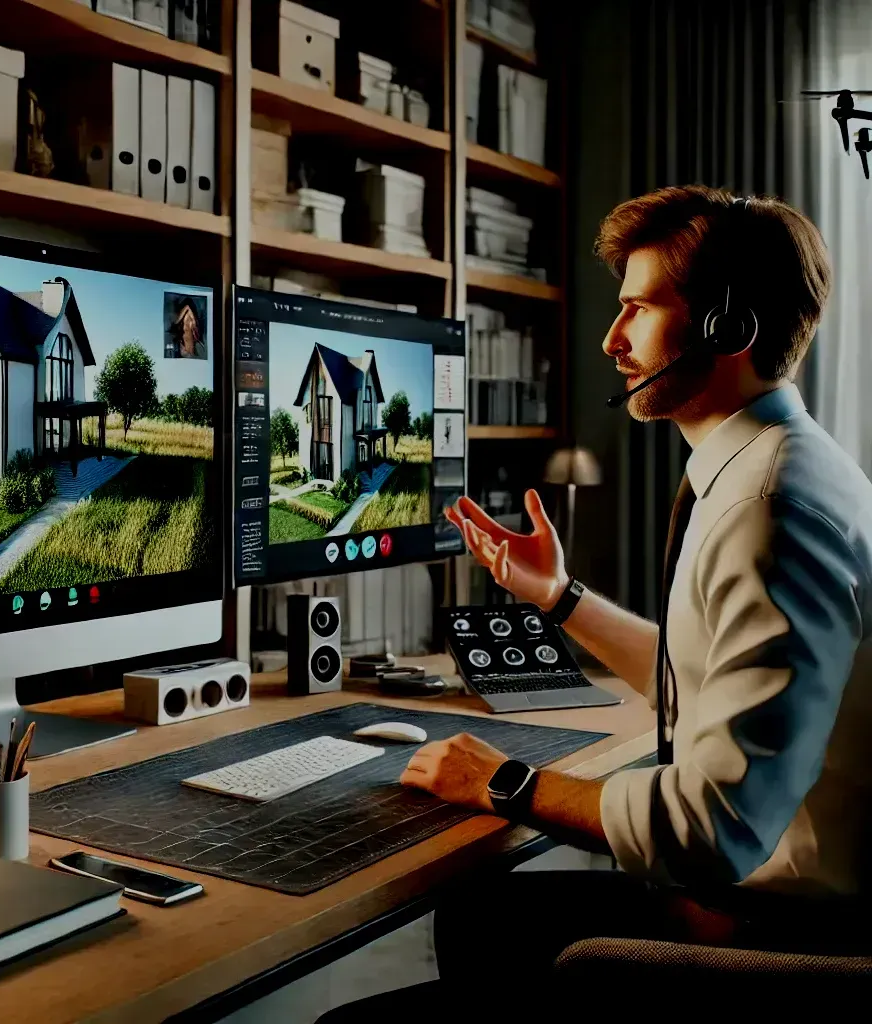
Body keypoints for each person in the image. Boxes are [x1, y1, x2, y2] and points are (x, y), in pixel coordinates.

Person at [318, 185, 872, 1019]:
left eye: (639, 309)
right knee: (479, 914)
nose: (612, 340)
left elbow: (714, 830)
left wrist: (503, 780)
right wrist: (561, 597)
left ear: (726, 329)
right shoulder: (784, 463)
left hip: (775, 938)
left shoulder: (769, 508)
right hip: (766, 903)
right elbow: (705, 681)